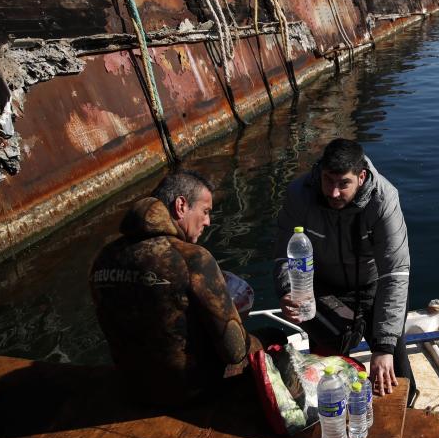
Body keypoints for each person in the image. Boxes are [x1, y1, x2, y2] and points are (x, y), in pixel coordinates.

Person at [90, 170, 261, 407]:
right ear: (181, 206)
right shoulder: (193, 258)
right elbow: (235, 351)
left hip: (131, 387)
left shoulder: (104, 257)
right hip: (190, 392)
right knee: (269, 341)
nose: (208, 221)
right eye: (205, 211)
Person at [274, 138, 414, 403]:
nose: (334, 192)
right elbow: (283, 253)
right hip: (324, 285)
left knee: (390, 358)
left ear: (361, 177)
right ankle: (327, 406)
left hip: (373, 285)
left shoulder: (383, 199)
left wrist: (383, 346)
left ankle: (406, 406)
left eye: (343, 184)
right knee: (326, 361)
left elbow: (395, 274)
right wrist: (285, 290)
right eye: (328, 181)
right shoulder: (299, 194)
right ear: (320, 173)